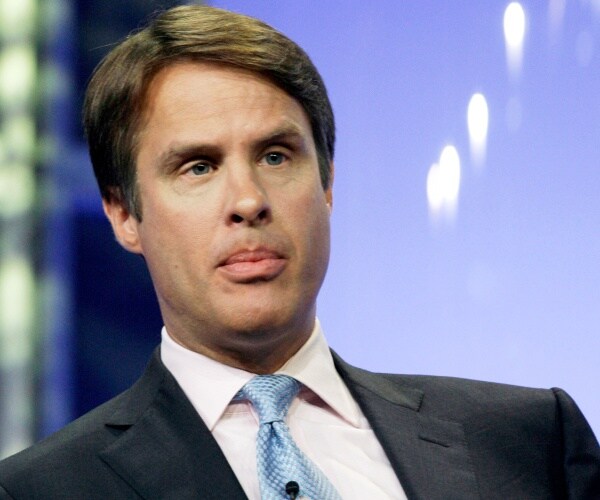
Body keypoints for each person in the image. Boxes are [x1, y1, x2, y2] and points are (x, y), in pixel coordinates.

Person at [0, 5, 599, 499]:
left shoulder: (528, 440)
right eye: (199, 166)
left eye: (276, 156)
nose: (248, 200)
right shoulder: (41, 490)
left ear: (327, 183)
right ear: (123, 214)